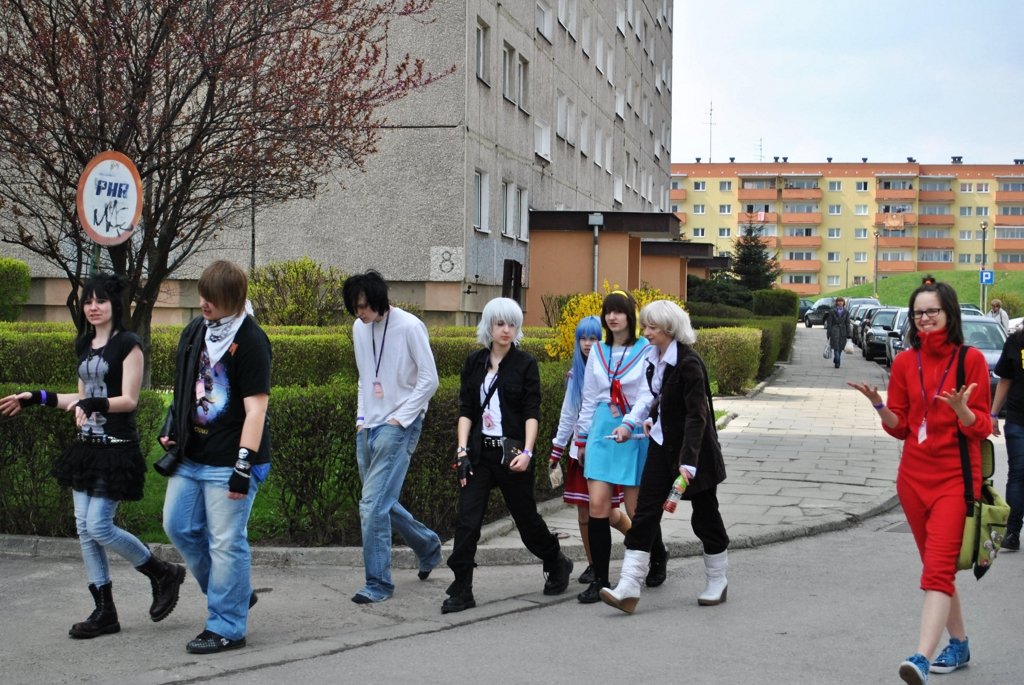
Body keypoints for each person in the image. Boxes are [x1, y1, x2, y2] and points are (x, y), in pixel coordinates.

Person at [0, 273, 185, 639]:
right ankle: (104, 611)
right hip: (87, 448)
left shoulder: (128, 344)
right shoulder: (85, 345)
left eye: (100, 301)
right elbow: (78, 398)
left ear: (114, 305)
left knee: (100, 525)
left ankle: (162, 572)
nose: (93, 307)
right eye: (87, 301)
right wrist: (35, 397)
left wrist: (91, 403)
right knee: (85, 530)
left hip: (116, 449)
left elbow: (128, 400)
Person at [848, 279, 991, 685]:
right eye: (918, 313)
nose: (924, 319)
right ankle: (959, 644)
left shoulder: (971, 360)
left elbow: (981, 427)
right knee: (937, 567)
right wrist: (878, 405)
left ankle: (922, 658)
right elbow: (901, 426)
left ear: (949, 314)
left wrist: (963, 411)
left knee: (937, 571)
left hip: (955, 480)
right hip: (913, 479)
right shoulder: (907, 362)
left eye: (932, 312)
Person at [160, 260, 272, 654]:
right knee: (177, 526)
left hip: (230, 459)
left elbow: (256, 409)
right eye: (202, 294)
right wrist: (170, 424)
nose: (204, 303)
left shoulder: (252, 339)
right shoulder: (196, 331)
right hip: (193, 455)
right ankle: (235, 592)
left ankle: (227, 625)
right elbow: (183, 387)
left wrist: (243, 467)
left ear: (234, 299)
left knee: (226, 542)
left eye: (213, 297)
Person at [443, 297, 573, 613]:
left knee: (527, 521)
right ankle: (462, 588)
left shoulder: (525, 364)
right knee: (467, 521)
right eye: (500, 323)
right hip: (478, 455)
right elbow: (466, 410)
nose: (506, 330)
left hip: (512, 453)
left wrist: (528, 452)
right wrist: (462, 450)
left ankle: (556, 560)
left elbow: (532, 411)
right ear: (488, 325)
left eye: (512, 324)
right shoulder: (474, 363)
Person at [600, 300, 729, 614]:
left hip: (694, 452)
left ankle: (717, 579)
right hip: (661, 445)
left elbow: (697, 417)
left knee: (705, 515)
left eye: (652, 328)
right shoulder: (653, 357)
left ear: (670, 329)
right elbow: (655, 395)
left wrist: (688, 463)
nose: (646, 333)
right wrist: (640, 420)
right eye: (646, 326)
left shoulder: (689, 363)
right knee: (645, 513)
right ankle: (629, 586)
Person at [342, 270, 442, 604]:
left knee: (372, 505)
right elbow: (363, 376)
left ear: (379, 300)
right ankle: (428, 546)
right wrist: (360, 417)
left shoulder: (410, 326)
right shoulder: (359, 328)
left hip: (399, 425)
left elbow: (429, 379)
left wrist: (402, 417)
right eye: (356, 308)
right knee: (380, 502)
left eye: (365, 306)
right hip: (368, 424)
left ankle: (379, 584)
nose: (361, 314)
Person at [575, 290, 664, 603]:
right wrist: (581, 438)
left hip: (633, 429)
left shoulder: (645, 349)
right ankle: (599, 579)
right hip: (601, 428)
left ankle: (658, 554)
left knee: (635, 508)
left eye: (619, 311)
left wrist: (631, 423)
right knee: (598, 505)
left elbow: (648, 393)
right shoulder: (597, 350)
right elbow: (588, 398)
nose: (613, 317)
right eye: (608, 312)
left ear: (630, 315)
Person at [550, 316, 631, 585]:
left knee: (607, 512)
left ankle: (645, 546)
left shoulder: (615, 369)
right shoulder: (575, 374)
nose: (588, 344)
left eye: (594, 338)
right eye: (583, 338)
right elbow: (569, 414)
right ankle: (594, 565)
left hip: (608, 446)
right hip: (580, 450)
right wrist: (557, 448)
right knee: (584, 513)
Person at [991, 324, 1024, 552]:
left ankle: (1012, 532)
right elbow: (1005, 379)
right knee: (1018, 474)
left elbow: (1006, 380)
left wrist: (994, 413)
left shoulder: (1016, 340)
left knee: (1018, 475)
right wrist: (993, 413)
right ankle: (1012, 531)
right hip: (1017, 419)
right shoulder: (1015, 341)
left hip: (1016, 419)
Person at [826, 296, 850, 369]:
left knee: (840, 347)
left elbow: (847, 323)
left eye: (841, 301)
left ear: (843, 303)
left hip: (843, 331)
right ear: (836, 303)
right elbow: (829, 323)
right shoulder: (832, 311)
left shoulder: (846, 312)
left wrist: (849, 333)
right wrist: (828, 332)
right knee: (836, 347)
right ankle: (837, 361)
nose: (840, 303)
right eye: (838, 301)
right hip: (834, 330)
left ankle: (836, 358)